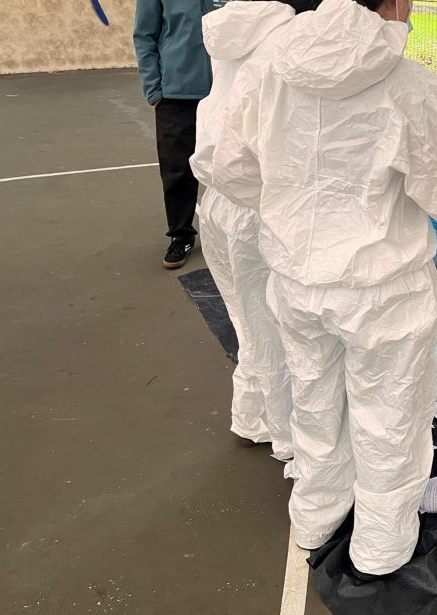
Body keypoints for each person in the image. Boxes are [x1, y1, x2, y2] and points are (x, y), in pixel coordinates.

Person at [213, 0, 437, 577]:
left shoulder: (266, 71)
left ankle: (315, 516)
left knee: (315, 402)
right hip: (384, 290)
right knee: (390, 418)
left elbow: (230, 169)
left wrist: (292, 214)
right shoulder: (408, 85)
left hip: (298, 281)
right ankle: (380, 546)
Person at [190, 1, 321, 460]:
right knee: (277, 328)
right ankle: (288, 434)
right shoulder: (288, 42)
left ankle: (253, 416)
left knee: (249, 322)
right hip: (256, 203)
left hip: (217, 201)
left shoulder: (235, 28)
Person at [133, 0, 229, 269]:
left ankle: (235, 231)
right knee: (176, 170)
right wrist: (154, 89)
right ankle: (181, 235)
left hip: (227, 91)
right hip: (176, 94)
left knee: (233, 163)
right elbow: (144, 35)